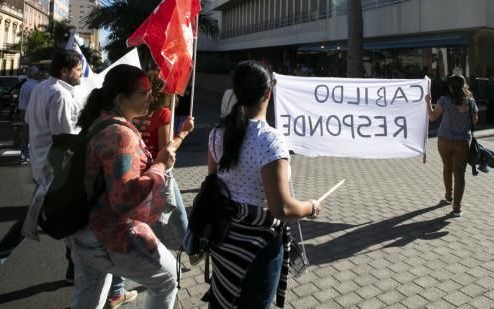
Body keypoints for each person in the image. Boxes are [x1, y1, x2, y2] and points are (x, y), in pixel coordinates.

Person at [70, 64, 194, 309]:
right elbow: (124, 199)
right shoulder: (120, 134)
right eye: (143, 92)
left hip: (82, 229)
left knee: (88, 299)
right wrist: (160, 166)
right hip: (109, 234)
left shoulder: (100, 121)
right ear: (120, 98)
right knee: (168, 280)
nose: (151, 97)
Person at [207, 61, 323, 308]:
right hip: (258, 248)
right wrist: (311, 207)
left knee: (223, 299)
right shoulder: (270, 140)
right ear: (268, 93)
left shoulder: (217, 132)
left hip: (224, 240)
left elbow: (214, 185)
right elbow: (281, 209)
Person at [0, 50, 83, 285]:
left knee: (54, 218)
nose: (81, 72)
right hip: (57, 169)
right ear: (65, 71)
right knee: (39, 218)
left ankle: (73, 269)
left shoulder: (41, 89)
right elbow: (63, 138)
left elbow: (29, 123)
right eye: (78, 68)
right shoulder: (61, 95)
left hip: (42, 164)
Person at [134, 70, 194, 243]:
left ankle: (189, 247)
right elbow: (166, 149)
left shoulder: (137, 111)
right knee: (176, 214)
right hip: (159, 171)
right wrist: (184, 133)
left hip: (140, 171)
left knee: (176, 213)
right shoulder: (163, 113)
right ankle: (189, 249)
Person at [425, 74, 478, 218]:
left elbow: (432, 117)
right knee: (459, 174)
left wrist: (428, 102)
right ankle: (457, 208)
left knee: (447, 168)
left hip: (444, 140)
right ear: (464, 85)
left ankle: (449, 195)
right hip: (462, 142)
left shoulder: (443, 100)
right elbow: (475, 120)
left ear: (449, 86)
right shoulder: (470, 101)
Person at [17, 66, 41, 165]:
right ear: (35, 75)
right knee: (31, 135)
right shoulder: (34, 86)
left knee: (26, 134)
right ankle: (26, 155)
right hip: (30, 112)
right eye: (38, 73)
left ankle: (25, 154)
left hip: (23, 111)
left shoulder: (25, 84)